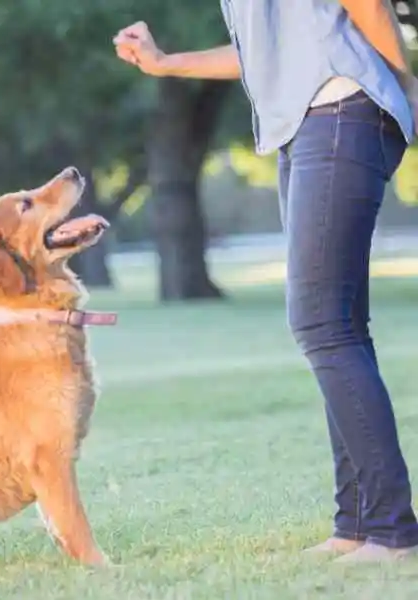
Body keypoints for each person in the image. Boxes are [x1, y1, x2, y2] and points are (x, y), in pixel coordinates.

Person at [114, 0, 418, 562]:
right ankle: (356, 522)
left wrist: (402, 80)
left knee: (321, 322)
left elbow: (367, 4)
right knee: (340, 324)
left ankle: (394, 531)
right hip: (308, 124)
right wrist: (166, 62)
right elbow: (265, 53)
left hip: (342, 108)